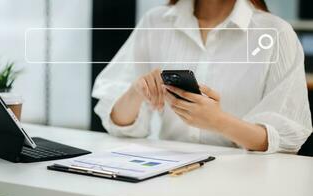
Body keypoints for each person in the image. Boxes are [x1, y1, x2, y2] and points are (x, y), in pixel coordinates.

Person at [92, 0, 312, 153]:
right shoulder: (156, 21)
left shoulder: (276, 33)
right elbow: (118, 124)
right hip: (167, 176)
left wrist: (219, 122)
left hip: (241, 179)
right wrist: (135, 92)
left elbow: (286, 139)